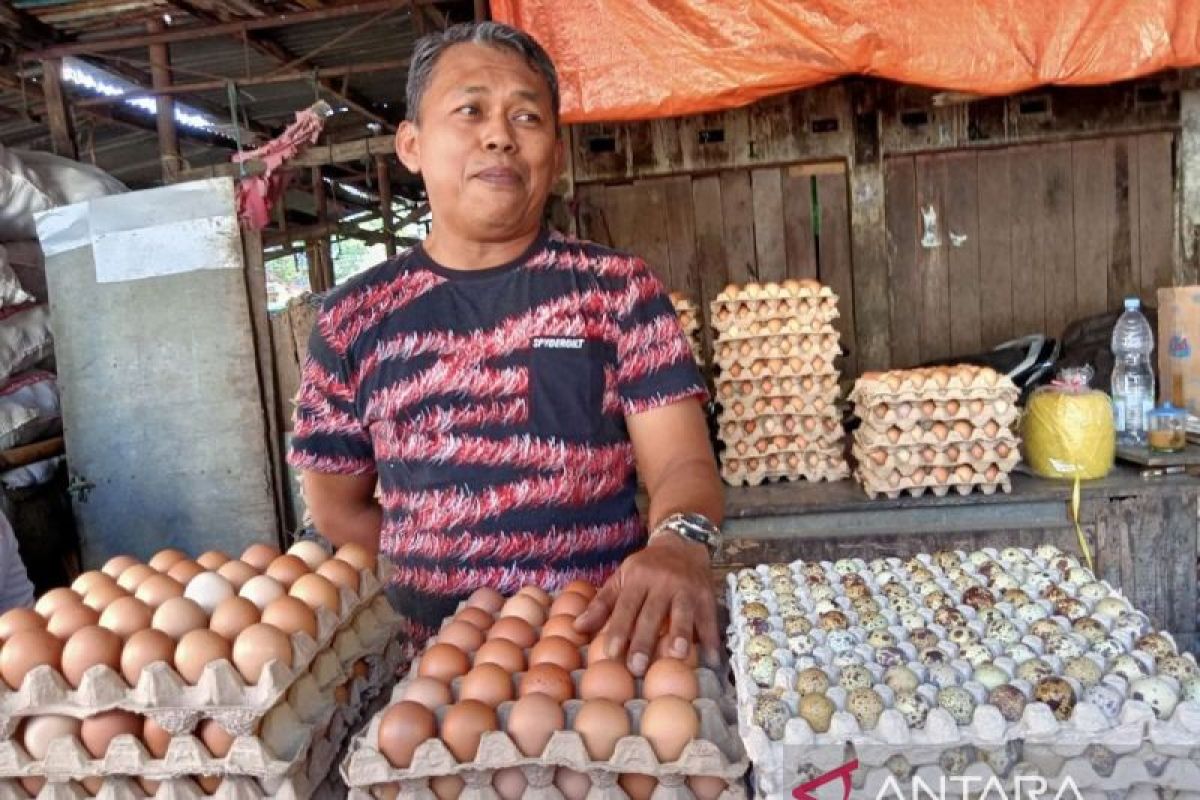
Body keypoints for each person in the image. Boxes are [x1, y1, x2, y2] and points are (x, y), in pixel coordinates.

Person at [289, 21, 724, 676]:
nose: (499, 134)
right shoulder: (353, 320)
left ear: (557, 152)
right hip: (435, 672)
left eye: (527, 115)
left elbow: (681, 466)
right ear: (411, 144)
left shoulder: (617, 291)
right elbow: (336, 506)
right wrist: (442, 567)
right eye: (470, 110)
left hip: (605, 649)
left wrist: (680, 541)